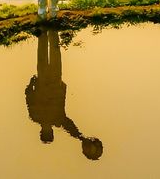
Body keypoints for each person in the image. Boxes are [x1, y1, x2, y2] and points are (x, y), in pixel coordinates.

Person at [25, 29, 103, 160]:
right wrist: (82, 138)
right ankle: (50, 25)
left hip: (47, 80)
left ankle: (48, 24)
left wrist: (82, 138)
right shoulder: (44, 117)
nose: (48, 129)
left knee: (48, 50)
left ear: (45, 132)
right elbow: (28, 96)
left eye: (47, 132)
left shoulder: (48, 118)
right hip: (51, 81)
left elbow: (29, 97)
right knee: (48, 50)